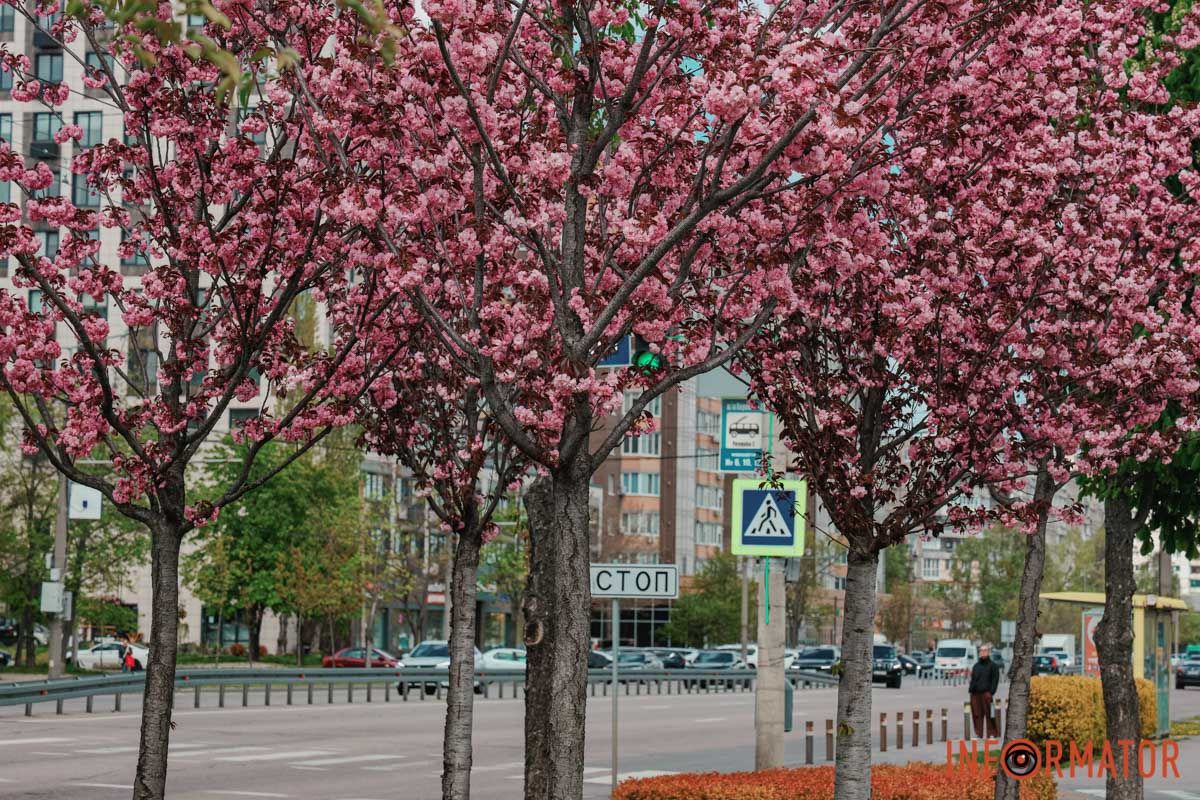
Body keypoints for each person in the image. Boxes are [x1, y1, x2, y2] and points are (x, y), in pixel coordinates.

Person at [969, 644, 1001, 739]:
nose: (982, 652)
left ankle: (992, 734)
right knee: (977, 714)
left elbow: (995, 680)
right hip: (975, 694)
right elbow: (973, 679)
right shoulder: (976, 666)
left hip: (986, 693)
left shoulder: (993, 666)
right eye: (981, 651)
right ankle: (978, 734)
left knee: (989, 714)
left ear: (988, 652)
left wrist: (991, 692)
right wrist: (971, 689)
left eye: (985, 650)